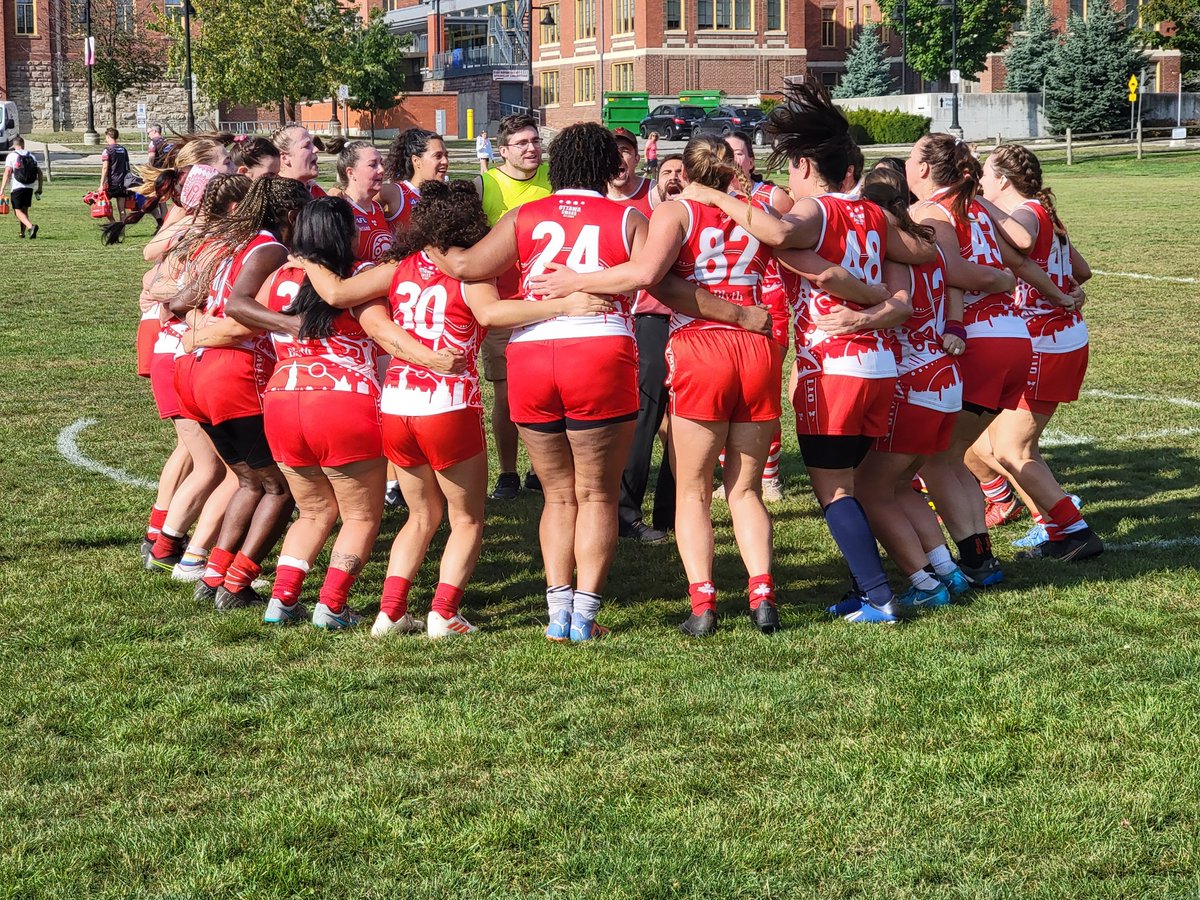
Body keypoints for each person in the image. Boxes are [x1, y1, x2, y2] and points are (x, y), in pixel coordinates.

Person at [432, 124, 766, 642]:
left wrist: (426, 247)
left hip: (530, 353)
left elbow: (466, 265)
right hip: (598, 351)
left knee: (557, 497)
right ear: (608, 165)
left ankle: (555, 616)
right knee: (597, 496)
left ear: (558, 166)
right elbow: (650, 277)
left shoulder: (524, 214)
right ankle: (584, 617)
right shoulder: (629, 214)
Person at [295, 180, 616, 638]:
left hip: (398, 400)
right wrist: (563, 306)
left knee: (419, 514)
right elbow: (490, 315)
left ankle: (390, 613)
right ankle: (443, 613)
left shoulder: (401, 266)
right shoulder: (472, 272)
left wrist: (306, 257)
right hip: (447, 401)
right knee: (466, 518)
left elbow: (339, 294)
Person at [682, 78, 939, 625]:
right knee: (858, 483)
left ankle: (878, 597)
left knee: (834, 490)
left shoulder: (817, 211)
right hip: (882, 366)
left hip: (834, 364)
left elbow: (774, 232)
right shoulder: (874, 213)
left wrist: (711, 194)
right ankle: (864, 586)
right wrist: (871, 294)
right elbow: (918, 252)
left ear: (803, 168)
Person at [531, 135, 782, 635]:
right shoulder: (753, 208)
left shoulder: (676, 211)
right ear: (732, 169)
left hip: (699, 343)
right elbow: (781, 232)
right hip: (756, 343)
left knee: (691, 490)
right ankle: (762, 596)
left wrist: (576, 281)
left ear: (684, 172)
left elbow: (647, 273)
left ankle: (703, 605)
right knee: (747, 489)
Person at [905, 132, 1085, 585]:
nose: (908, 164)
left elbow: (956, 271)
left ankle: (969, 560)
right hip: (1015, 338)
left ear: (925, 169)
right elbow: (1023, 262)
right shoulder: (979, 206)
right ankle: (982, 559)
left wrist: (995, 281)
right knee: (958, 454)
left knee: (936, 459)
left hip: (976, 342)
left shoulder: (931, 211)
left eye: (912, 156)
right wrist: (1059, 295)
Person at [169, 175, 312, 610]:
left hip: (194, 370)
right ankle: (237, 583)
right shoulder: (269, 247)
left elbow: (180, 301)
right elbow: (238, 305)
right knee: (281, 488)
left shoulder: (229, 241)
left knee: (250, 480)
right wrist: (292, 325)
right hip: (235, 372)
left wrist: (200, 329)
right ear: (291, 215)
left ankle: (214, 576)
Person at [968, 143, 1103, 562]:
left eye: (985, 176)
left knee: (1012, 450)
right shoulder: (1042, 210)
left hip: (1047, 342)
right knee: (987, 447)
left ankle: (1077, 533)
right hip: (1048, 338)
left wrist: (976, 204)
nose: (981, 183)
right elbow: (1081, 271)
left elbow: (1024, 237)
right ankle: (1052, 526)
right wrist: (1066, 286)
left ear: (1002, 180)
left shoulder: (1024, 213)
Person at [850, 167, 974, 609]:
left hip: (912, 380)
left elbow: (896, 309)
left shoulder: (891, 249)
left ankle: (924, 583)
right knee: (903, 484)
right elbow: (956, 285)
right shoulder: (929, 244)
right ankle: (947, 571)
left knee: (869, 489)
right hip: (944, 377)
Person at [473, 113, 553, 500]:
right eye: (521, 143)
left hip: (548, 299)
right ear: (501, 151)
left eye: (535, 141)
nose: (531, 148)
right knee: (505, 394)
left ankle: (541, 469)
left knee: (547, 390)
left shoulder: (554, 181)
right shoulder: (485, 184)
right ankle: (507, 472)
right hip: (503, 304)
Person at [608, 127, 672, 544]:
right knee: (636, 418)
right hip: (620, 323)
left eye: (627, 152)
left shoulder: (654, 196)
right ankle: (626, 513)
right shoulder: (595, 203)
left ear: (637, 157)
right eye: (612, 154)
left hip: (665, 315)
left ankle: (670, 512)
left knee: (677, 415)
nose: (620, 161)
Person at [331, 140, 393, 264]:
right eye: (372, 165)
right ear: (351, 173)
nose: (381, 170)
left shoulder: (378, 208)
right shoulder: (339, 210)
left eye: (381, 163)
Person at [379, 128, 449, 235]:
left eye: (446, 156)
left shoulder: (447, 195)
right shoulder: (395, 193)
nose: (445, 161)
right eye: (438, 156)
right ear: (416, 161)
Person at [1, 136, 42, 239]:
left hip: (17, 186)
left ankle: (31, 227)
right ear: (23, 145)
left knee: (17, 211)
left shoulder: (12, 156)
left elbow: (8, 172)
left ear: (14, 146)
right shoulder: (31, 156)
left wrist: (2, 189)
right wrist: (40, 187)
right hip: (29, 186)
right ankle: (22, 233)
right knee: (24, 210)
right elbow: (39, 172)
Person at [272, 124, 324, 198]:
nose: (316, 149)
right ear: (285, 158)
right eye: (306, 146)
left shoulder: (317, 193)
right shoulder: (274, 199)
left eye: (313, 144)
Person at [99, 128, 134, 225]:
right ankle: (122, 232)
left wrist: (101, 184)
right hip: (123, 183)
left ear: (108, 137)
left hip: (112, 183)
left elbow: (105, 168)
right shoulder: (123, 150)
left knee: (103, 205)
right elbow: (127, 166)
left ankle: (114, 224)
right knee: (122, 210)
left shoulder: (107, 150)